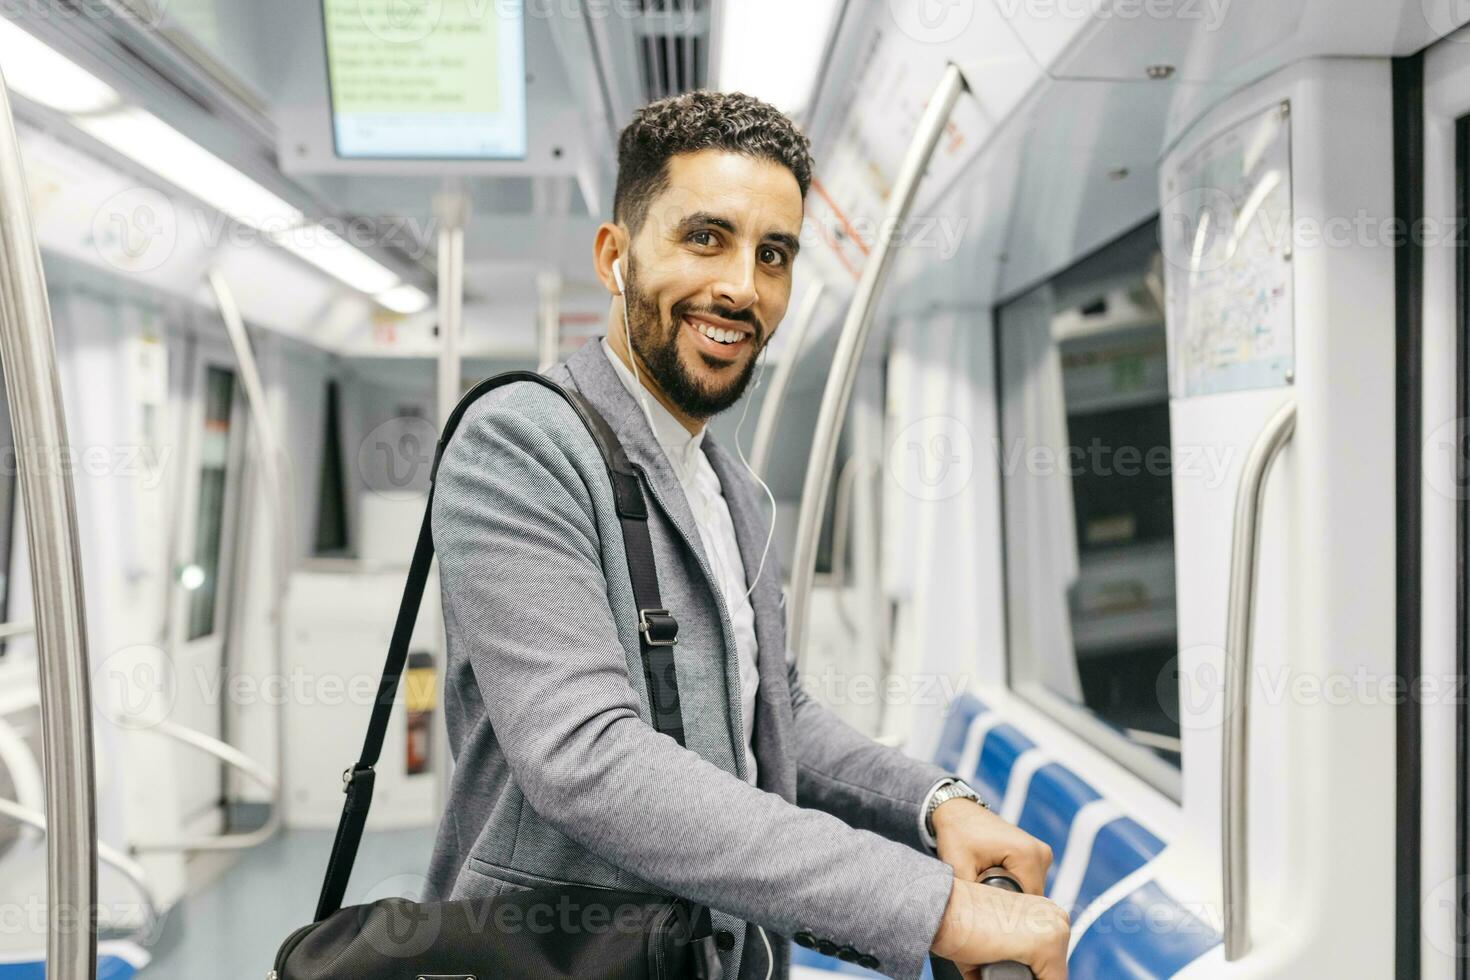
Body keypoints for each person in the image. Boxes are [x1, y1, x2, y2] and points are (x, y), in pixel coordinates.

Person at [423, 90, 1070, 980]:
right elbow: (584, 756)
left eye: (774, 255)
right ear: (616, 256)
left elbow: (776, 715)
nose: (741, 286)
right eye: (705, 238)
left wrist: (935, 803)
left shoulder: (731, 488)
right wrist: (932, 905)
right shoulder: (519, 444)